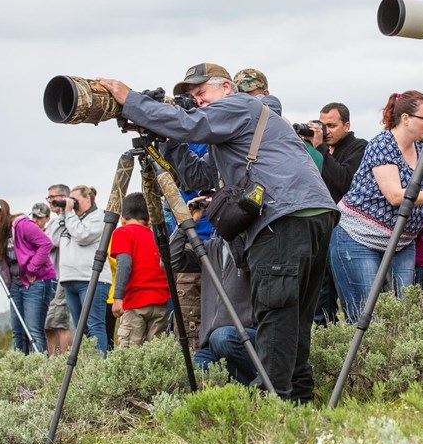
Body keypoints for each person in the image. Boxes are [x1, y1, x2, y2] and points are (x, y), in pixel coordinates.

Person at [98, 63, 338, 403]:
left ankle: (271, 405)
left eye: (201, 94)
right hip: (308, 214)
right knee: (291, 318)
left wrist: (132, 100)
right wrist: (166, 138)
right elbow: (199, 176)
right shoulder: (237, 128)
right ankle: (298, 401)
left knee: (276, 312)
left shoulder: (240, 105)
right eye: (191, 97)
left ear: (226, 87)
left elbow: (190, 124)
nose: (197, 102)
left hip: (283, 216)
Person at [330, 90, 423, 323]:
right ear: (405, 118)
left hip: (402, 244)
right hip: (359, 240)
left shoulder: (421, 148)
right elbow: (394, 195)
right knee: (365, 316)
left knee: (403, 317)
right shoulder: (382, 144)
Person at [170, 196, 257, 384]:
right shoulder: (210, 249)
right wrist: (186, 221)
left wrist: (229, 215)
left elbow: (237, 242)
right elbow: (169, 261)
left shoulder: (252, 246)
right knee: (192, 375)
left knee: (223, 337)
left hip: (244, 335)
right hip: (211, 343)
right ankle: (238, 395)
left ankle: (260, 385)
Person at [304, 102, 368, 324]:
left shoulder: (359, 148)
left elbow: (344, 181)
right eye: (322, 125)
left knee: (350, 299)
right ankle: (325, 346)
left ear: (347, 125)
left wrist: (321, 149)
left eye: (331, 125)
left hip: (347, 233)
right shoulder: (320, 149)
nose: (325, 131)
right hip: (319, 231)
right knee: (320, 299)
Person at [0, 198, 55, 354]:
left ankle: (42, 372)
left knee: (33, 329)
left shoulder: (22, 225)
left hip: (36, 281)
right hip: (16, 284)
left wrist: (31, 269)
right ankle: (21, 370)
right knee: (18, 331)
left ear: (1, 213)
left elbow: (46, 244)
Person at [56, 185, 111, 354]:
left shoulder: (99, 216)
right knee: (81, 330)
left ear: (88, 199)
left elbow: (82, 236)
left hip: (92, 279)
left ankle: (100, 368)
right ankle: (87, 368)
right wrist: (62, 215)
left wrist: (69, 214)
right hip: (69, 279)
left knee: (94, 326)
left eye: (75, 200)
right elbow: (51, 239)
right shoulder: (69, 218)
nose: (72, 204)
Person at [110, 193, 170, 347]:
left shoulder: (122, 232)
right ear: (148, 218)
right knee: (156, 355)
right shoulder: (155, 236)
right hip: (160, 301)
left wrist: (118, 297)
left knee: (129, 354)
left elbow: (125, 264)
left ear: (122, 219)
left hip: (135, 301)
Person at [42, 185, 74, 356]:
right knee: (50, 323)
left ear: (63, 197)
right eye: (48, 198)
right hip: (55, 275)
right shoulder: (54, 221)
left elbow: (52, 241)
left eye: (52, 197)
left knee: (59, 321)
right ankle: (54, 360)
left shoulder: (69, 218)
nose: (49, 202)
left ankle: (64, 359)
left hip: (66, 274)